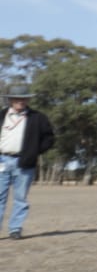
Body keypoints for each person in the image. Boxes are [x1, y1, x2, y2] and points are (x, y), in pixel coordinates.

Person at [0, 84, 55, 240]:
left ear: (28, 99)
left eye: (24, 98)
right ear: (10, 99)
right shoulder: (1, 115)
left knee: (20, 198)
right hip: (1, 160)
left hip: (24, 163)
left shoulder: (38, 117)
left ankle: (15, 229)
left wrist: (34, 152)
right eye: (17, 98)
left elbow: (49, 138)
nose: (20, 101)